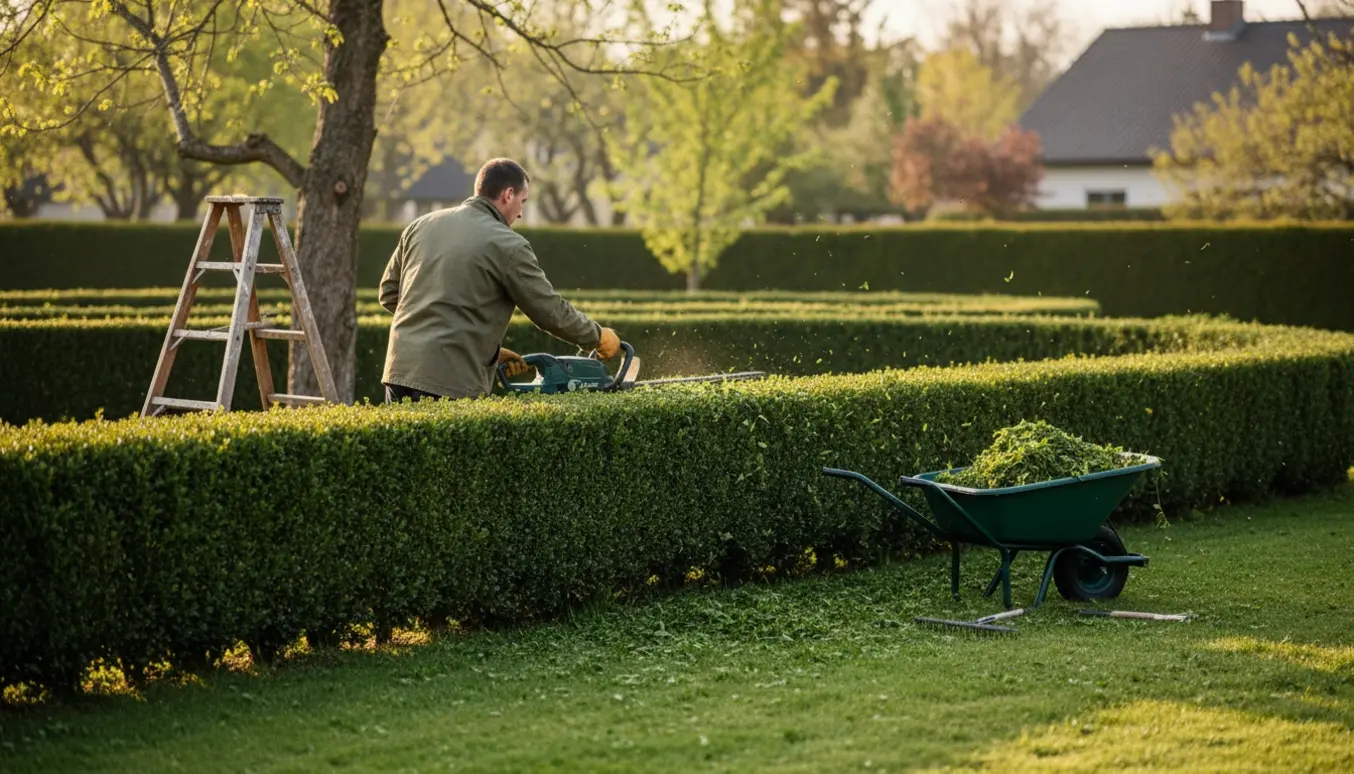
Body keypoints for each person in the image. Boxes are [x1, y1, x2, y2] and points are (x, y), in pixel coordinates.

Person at [378, 158, 620, 403]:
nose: (521, 213)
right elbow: (547, 309)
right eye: (522, 202)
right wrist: (597, 336)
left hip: (399, 372)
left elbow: (389, 293)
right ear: (508, 194)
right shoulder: (508, 244)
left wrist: (485, 350)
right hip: (451, 380)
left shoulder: (420, 226)